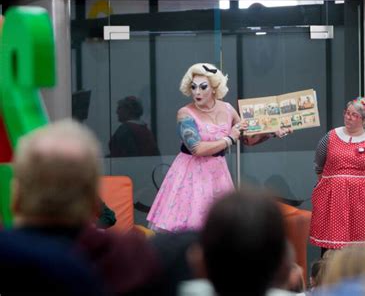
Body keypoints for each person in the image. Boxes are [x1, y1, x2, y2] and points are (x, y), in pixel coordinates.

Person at [11, 119, 161, 295]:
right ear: (91, 194)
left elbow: (109, 217)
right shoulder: (127, 258)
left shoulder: (9, 254)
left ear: (17, 197)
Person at [147, 63, 292, 232]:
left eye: (203, 87)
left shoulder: (228, 109)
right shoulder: (185, 113)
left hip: (217, 173)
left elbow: (247, 138)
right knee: (190, 225)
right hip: (190, 173)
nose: (197, 92)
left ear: (215, 88)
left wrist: (271, 132)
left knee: (220, 227)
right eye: (193, 87)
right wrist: (229, 138)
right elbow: (197, 149)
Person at [309, 97, 365, 256]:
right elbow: (318, 163)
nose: (348, 117)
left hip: (362, 202)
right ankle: (328, 277)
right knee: (332, 247)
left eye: (354, 115)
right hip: (333, 200)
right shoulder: (330, 137)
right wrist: (332, 184)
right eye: (347, 113)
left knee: (360, 248)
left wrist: (361, 185)